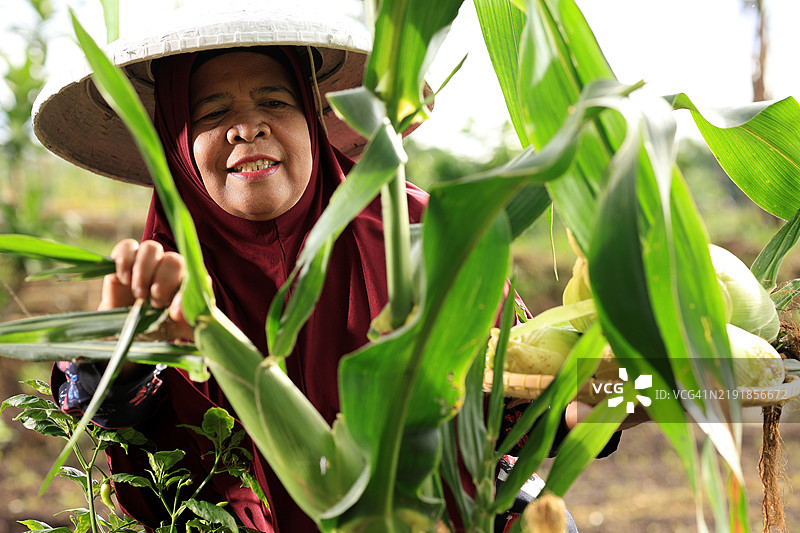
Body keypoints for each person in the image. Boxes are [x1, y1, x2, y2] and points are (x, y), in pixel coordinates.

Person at [34, 2, 622, 531]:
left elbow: (513, 396)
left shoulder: (419, 231)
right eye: (211, 112)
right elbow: (128, 433)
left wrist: (601, 399)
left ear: (314, 120)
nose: (247, 126)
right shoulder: (159, 275)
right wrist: (124, 358)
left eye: (274, 101)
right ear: (177, 146)